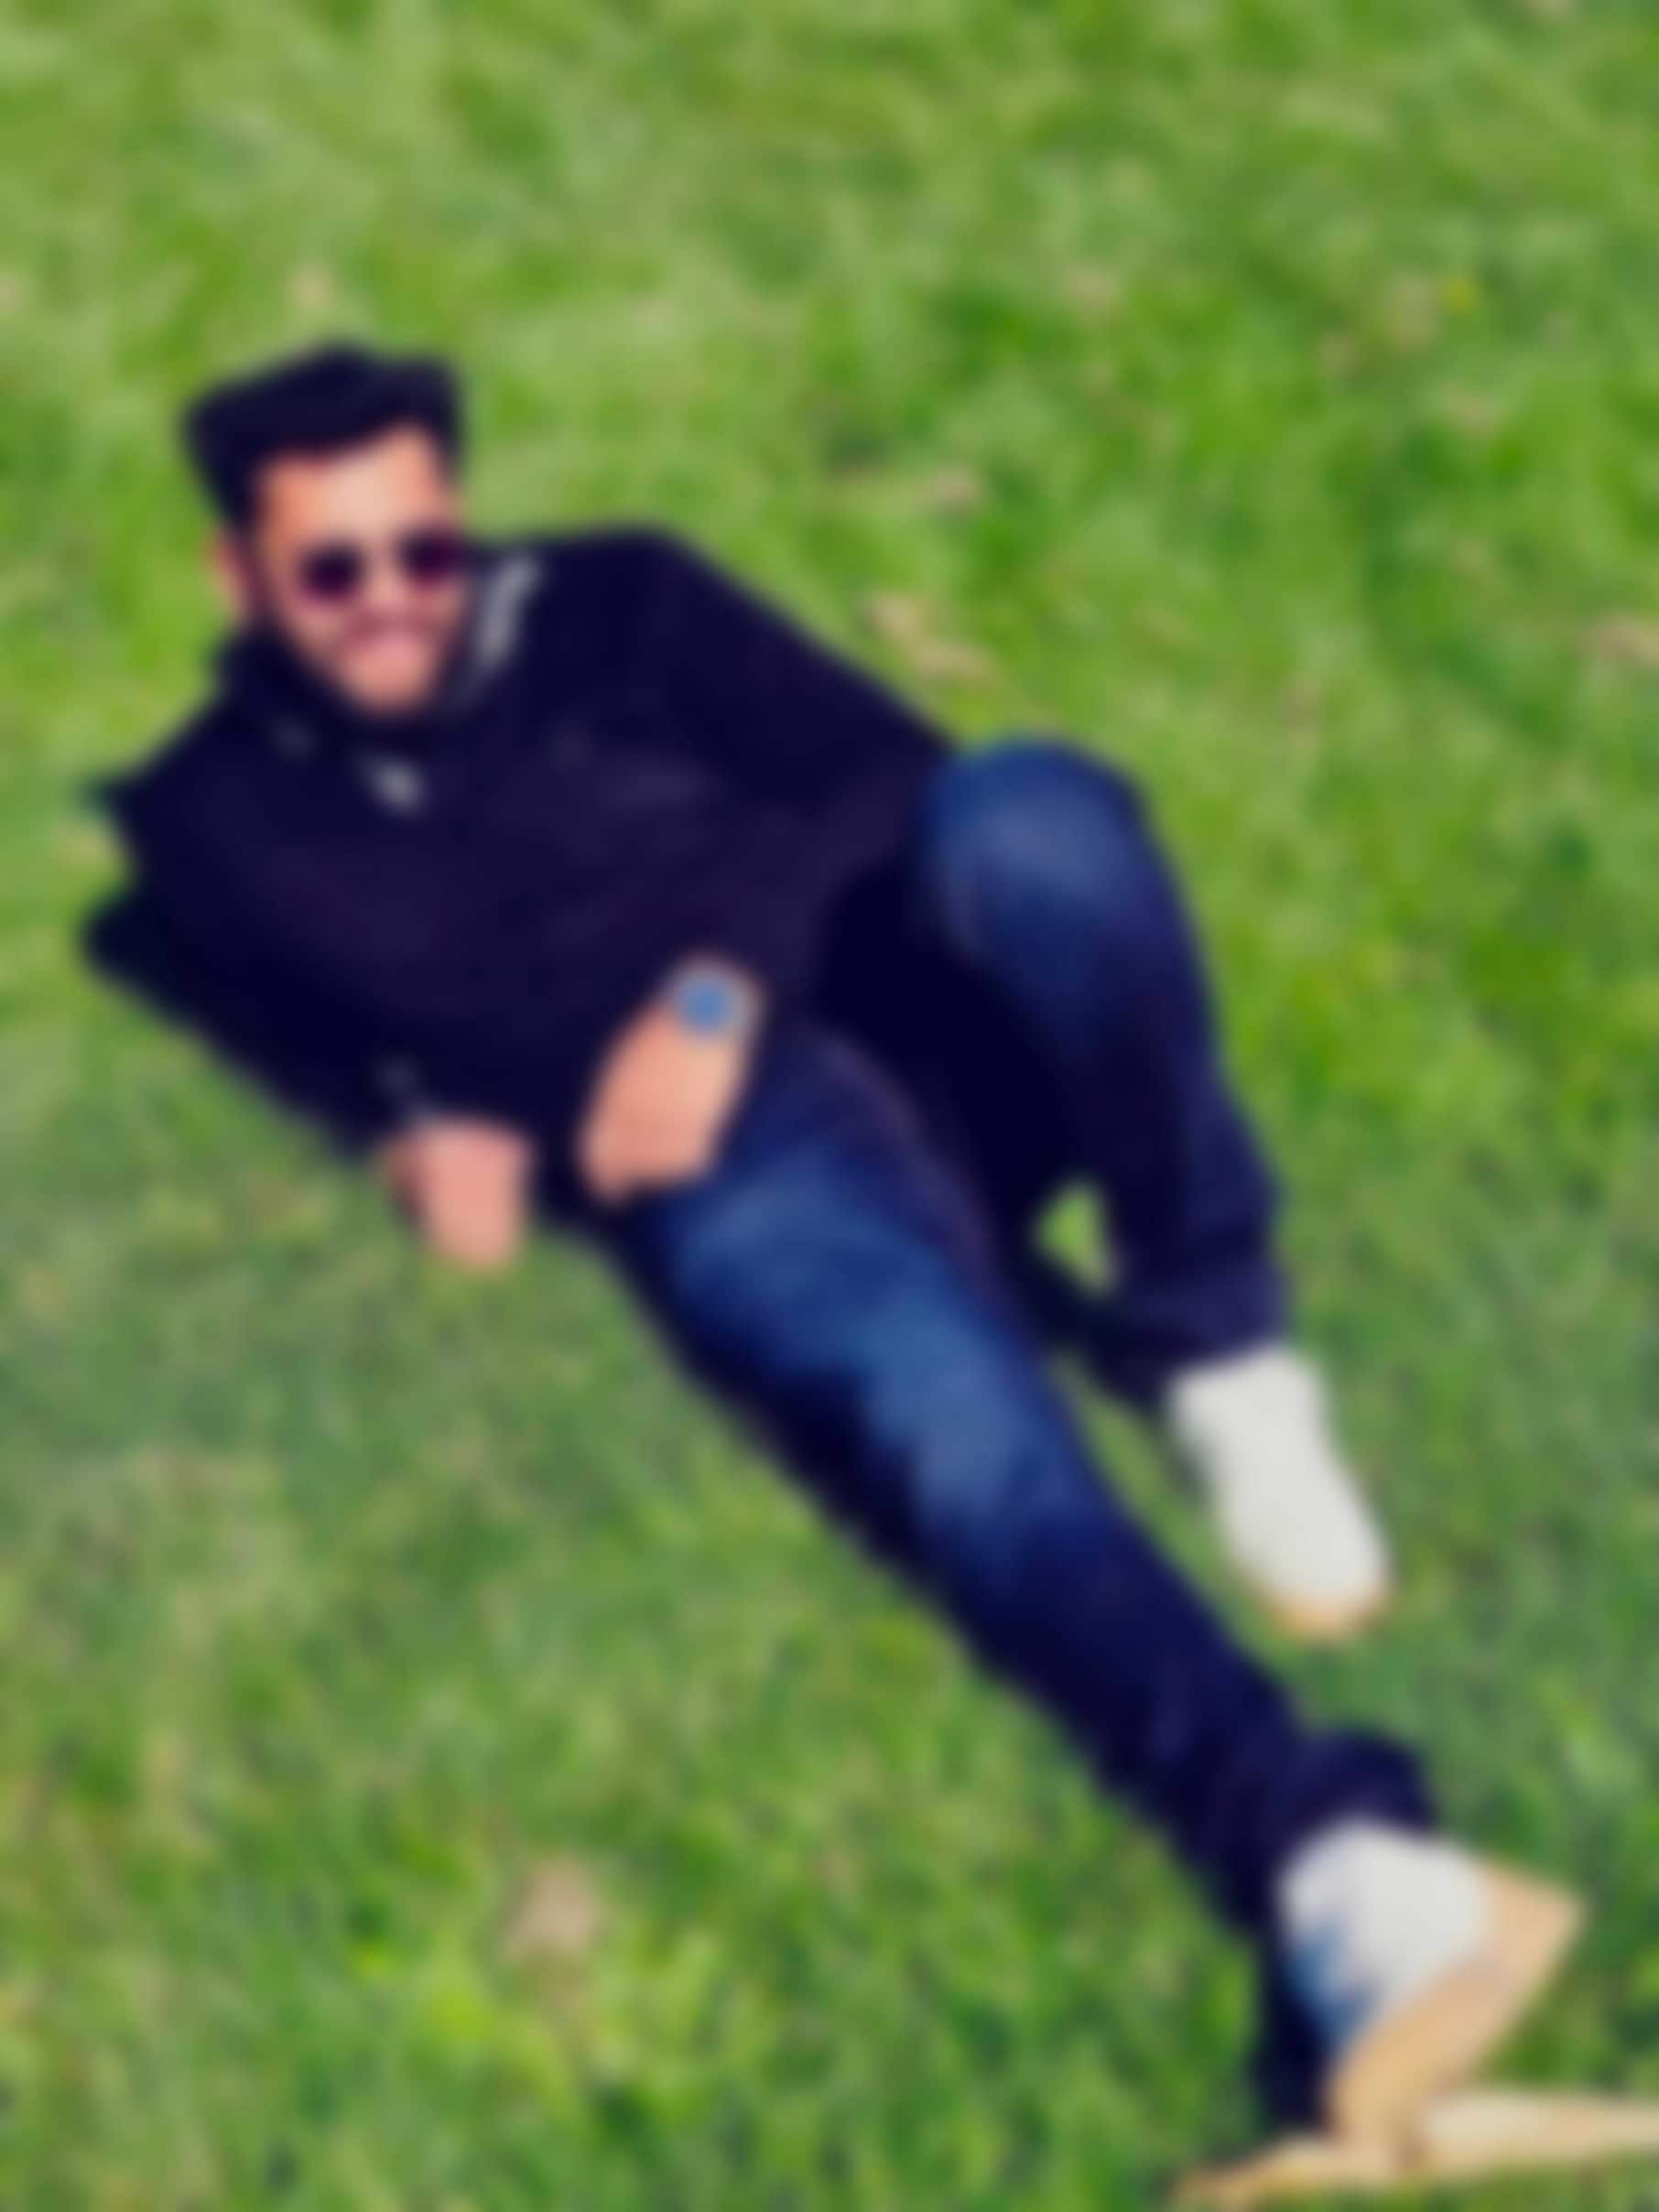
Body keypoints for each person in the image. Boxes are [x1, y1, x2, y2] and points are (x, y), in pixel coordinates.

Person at [92, 343, 1580, 2137]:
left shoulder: (622, 599)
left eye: (428, 548)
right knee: (952, 1439)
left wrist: (709, 990)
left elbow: (883, 768)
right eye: (335, 569)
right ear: (237, 576)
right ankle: (1347, 1868)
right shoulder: (206, 818)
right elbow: (348, 1027)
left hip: (899, 1010)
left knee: (1033, 821)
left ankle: (1220, 1350)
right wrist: (407, 1121)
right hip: (739, 1156)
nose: (397, 598)